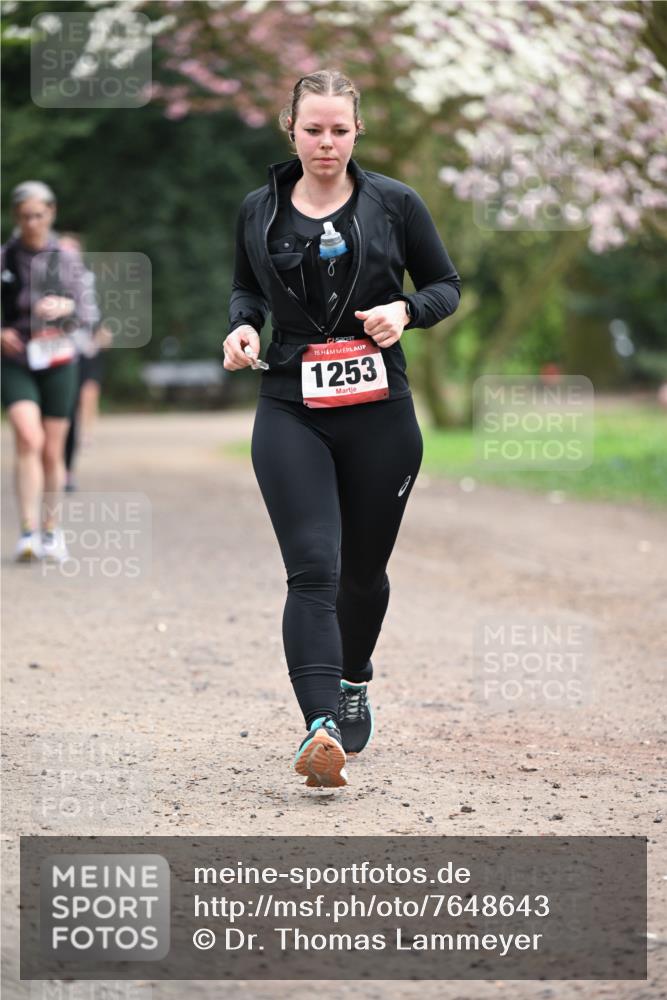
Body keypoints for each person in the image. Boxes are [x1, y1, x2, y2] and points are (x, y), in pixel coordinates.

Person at [223, 70, 461, 789]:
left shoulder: (394, 204)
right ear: (288, 129)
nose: (325, 143)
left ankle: (354, 676)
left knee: (362, 573)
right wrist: (240, 326)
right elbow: (244, 287)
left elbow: (445, 285)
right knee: (313, 568)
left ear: (356, 132)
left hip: (380, 412)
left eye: (339, 130)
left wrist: (406, 312)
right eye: (312, 129)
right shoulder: (258, 209)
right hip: (290, 404)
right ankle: (320, 724)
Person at [1, 182, 95, 562]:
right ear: (16, 217)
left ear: (51, 214)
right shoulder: (4, 257)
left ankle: (51, 530)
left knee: (52, 450)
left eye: (39, 215)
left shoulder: (67, 259)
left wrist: (64, 308)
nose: (32, 222)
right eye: (25, 216)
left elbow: (90, 314)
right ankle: (26, 532)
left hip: (58, 358)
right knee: (27, 436)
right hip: (16, 358)